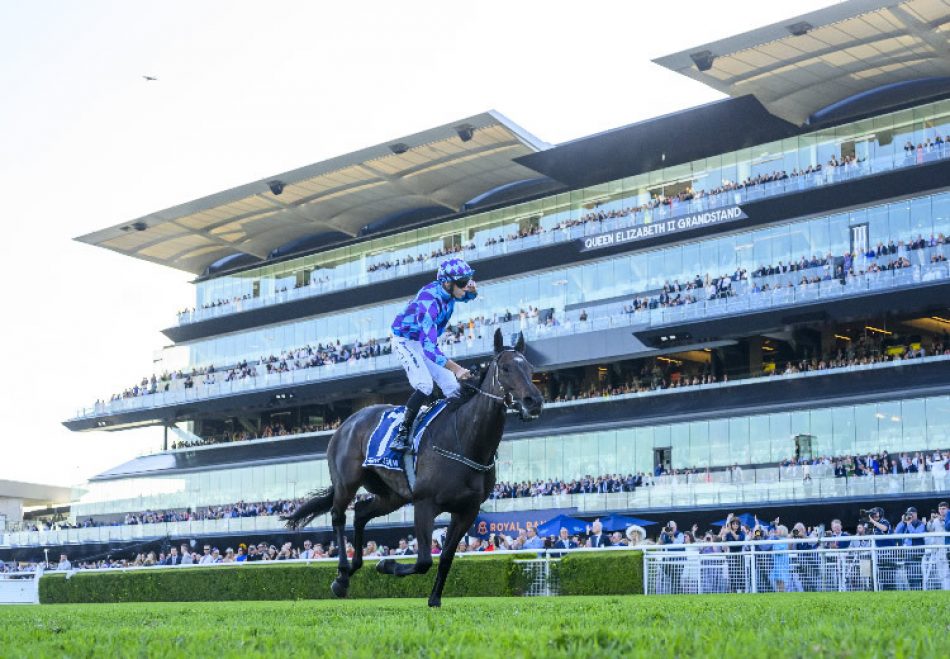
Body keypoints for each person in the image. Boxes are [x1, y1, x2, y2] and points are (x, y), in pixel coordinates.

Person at [389, 258, 478, 452]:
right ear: (447, 283)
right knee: (425, 385)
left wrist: (472, 291)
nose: (467, 285)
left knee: (453, 388)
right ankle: (402, 433)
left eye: (468, 280)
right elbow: (429, 349)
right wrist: (457, 369)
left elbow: (466, 296)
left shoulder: (449, 291)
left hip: (423, 341)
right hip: (405, 341)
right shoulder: (429, 302)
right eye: (463, 282)